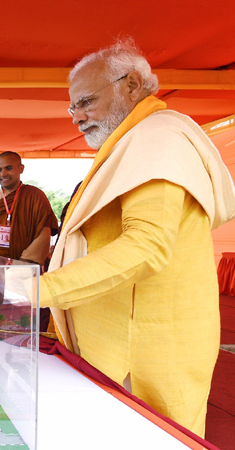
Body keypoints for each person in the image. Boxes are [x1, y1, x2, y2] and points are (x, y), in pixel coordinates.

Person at [40, 39, 235, 436]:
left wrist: (33, 292)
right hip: (118, 342)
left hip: (145, 351)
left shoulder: (158, 137)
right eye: (73, 108)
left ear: (131, 85)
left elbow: (146, 246)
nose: (77, 118)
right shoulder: (135, 140)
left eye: (86, 102)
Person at [0, 152, 58, 319]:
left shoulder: (36, 197)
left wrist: (21, 266)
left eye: (8, 168)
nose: (3, 174)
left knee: (24, 317)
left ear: (21, 169)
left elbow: (44, 232)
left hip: (23, 271)